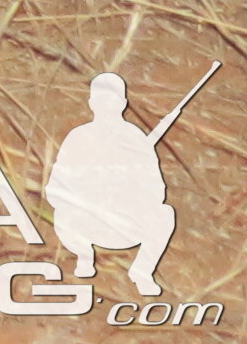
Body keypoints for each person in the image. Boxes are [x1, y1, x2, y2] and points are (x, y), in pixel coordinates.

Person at [46, 72, 180, 296]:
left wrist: (128, 188)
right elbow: (55, 187)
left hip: (126, 224)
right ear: (91, 103)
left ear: (123, 103)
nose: (107, 106)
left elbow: (157, 190)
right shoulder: (79, 137)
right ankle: (85, 256)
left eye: (113, 100)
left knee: (165, 214)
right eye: (101, 100)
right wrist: (85, 191)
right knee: (62, 213)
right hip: (86, 224)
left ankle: (142, 271)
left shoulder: (136, 139)